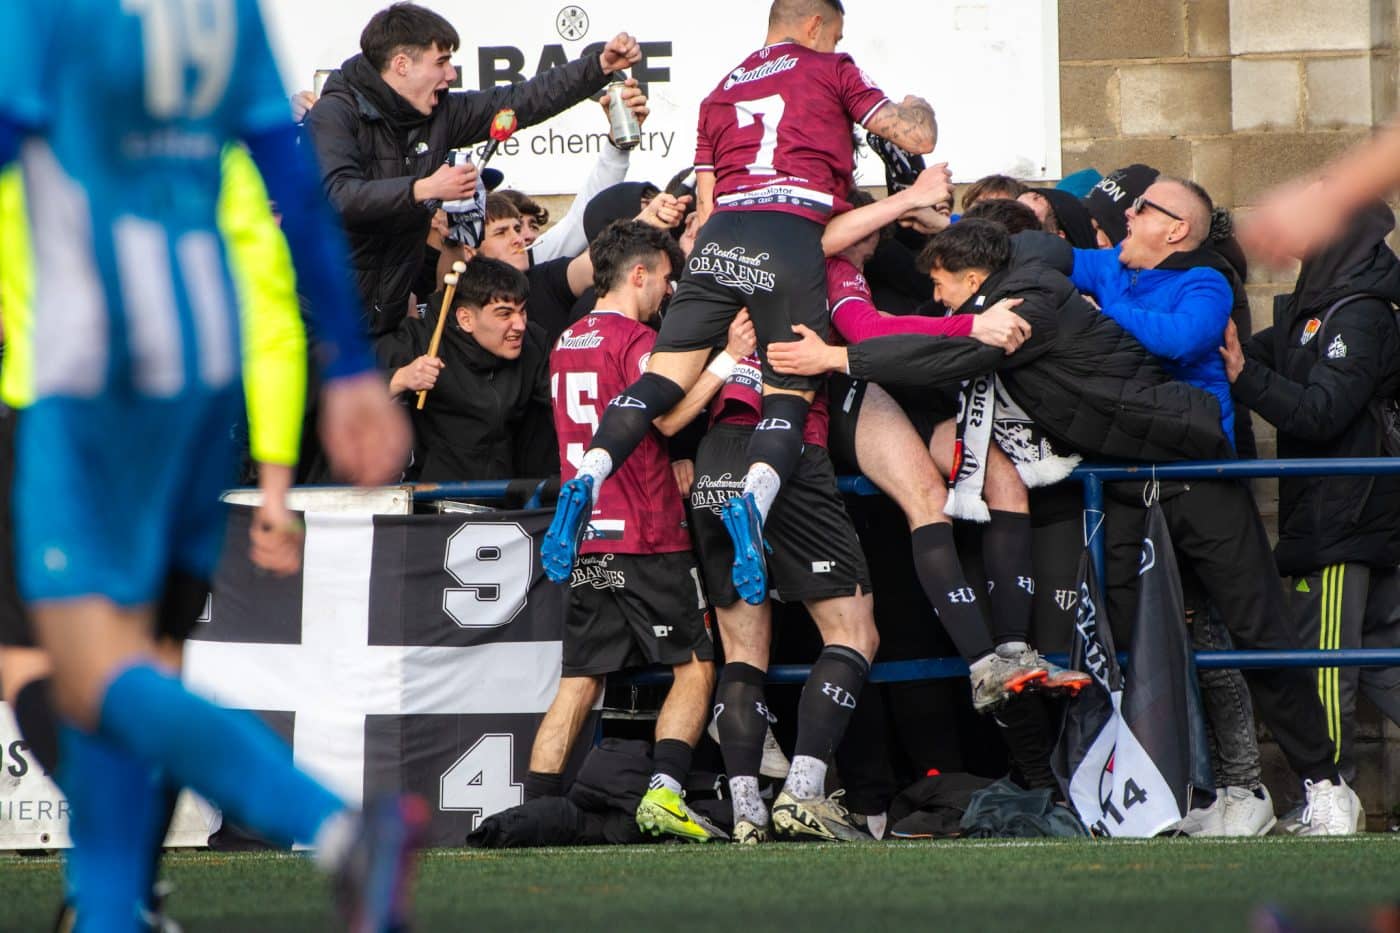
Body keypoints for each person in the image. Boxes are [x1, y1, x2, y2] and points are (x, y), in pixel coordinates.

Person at [0, 0, 422, 927]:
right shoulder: (224, 13)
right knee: (130, 667)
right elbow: (295, 188)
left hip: (86, 372)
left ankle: (340, 830)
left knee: (80, 674)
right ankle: (112, 911)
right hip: (201, 375)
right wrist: (349, 368)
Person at [541, 0, 940, 607]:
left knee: (659, 381)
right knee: (787, 395)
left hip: (721, 238)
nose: (835, 44)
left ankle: (590, 475)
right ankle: (752, 500)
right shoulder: (831, 68)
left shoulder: (719, 92)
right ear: (815, 24)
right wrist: (918, 109)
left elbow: (704, 207)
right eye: (835, 34)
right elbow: (916, 136)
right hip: (790, 231)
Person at [1055, 178, 1364, 834]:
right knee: (1120, 639)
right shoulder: (1111, 267)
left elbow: (1179, 339)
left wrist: (1095, 313)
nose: (1127, 212)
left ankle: (1324, 784)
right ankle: (1167, 793)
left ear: (1175, 229)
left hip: (1201, 479)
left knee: (1259, 630)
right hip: (1126, 484)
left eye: (1143, 207)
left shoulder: (1205, 280)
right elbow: (1044, 256)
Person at [528, 221, 727, 842]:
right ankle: (664, 794)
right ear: (638, 274)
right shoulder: (641, 340)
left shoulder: (566, 340)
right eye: (665, 278)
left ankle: (535, 810)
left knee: (578, 682)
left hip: (589, 534)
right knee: (695, 666)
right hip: (646, 532)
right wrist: (727, 362)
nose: (668, 290)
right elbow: (664, 420)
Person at [306, 1, 645, 335]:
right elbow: (336, 195)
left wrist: (598, 67)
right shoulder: (335, 112)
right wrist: (424, 188)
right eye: (441, 62)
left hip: (384, 322)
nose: (451, 75)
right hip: (318, 320)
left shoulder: (440, 113)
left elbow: (522, 100)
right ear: (402, 65)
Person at [1221, 200, 1400, 786]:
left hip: (1343, 516)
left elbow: (1322, 412)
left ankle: (1331, 792)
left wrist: (1243, 377)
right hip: (1348, 510)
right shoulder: (1317, 306)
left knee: (1327, 662)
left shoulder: (1358, 313)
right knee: (1381, 662)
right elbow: (1264, 353)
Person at [378, 258, 556, 482]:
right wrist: (401, 378)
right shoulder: (421, 341)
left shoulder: (533, 343)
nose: (520, 325)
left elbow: (561, 403)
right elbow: (349, 392)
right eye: (505, 314)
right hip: (433, 494)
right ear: (466, 319)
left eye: (522, 311)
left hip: (507, 491)